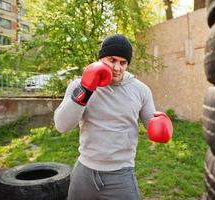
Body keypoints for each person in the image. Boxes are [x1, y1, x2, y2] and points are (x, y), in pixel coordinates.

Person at [54, 34, 173, 200]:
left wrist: (162, 126)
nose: (117, 68)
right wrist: (86, 89)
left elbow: (151, 123)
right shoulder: (78, 85)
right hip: (85, 170)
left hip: (121, 174)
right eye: (112, 60)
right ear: (101, 58)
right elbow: (62, 125)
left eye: (123, 62)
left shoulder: (141, 90)